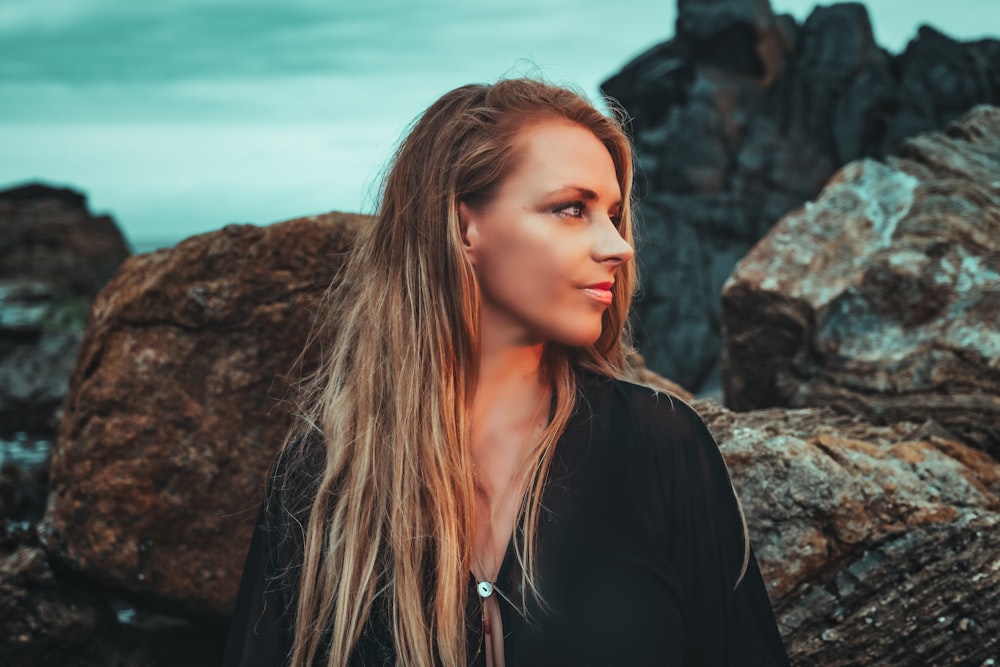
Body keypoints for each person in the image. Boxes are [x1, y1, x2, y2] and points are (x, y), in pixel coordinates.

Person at [223, 77, 789, 667]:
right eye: (571, 209)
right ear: (465, 227)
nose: (618, 246)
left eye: (614, 214)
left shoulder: (659, 446)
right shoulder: (323, 478)